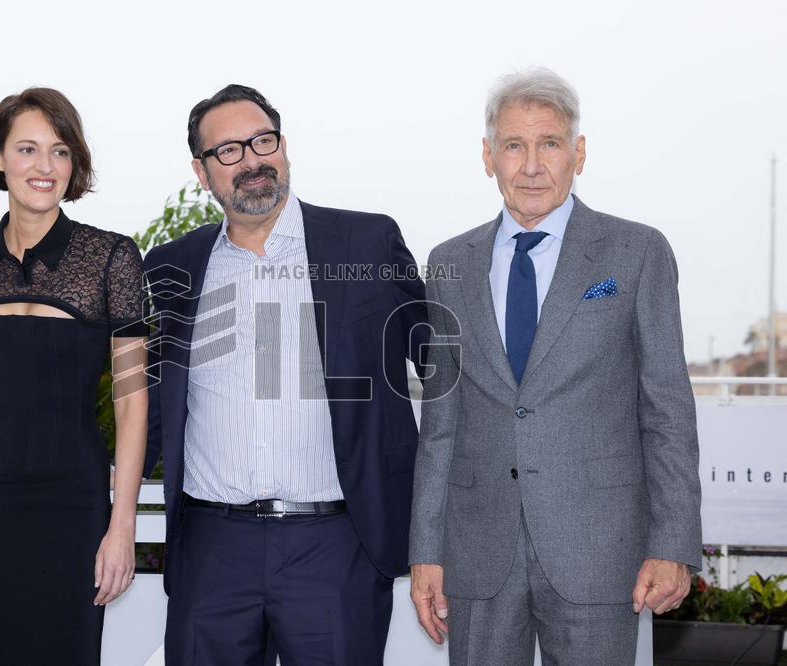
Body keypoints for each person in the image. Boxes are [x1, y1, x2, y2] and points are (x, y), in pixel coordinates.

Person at [409, 68, 702, 665]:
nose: (532, 166)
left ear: (579, 153)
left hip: (600, 550)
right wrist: (426, 551)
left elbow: (668, 410)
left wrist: (673, 542)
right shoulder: (448, 264)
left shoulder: (638, 253)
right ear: (488, 157)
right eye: (514, 146)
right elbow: (440, 426)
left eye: (549, 143)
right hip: (478, 552)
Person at [143, 84, 428, 666]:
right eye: (228, 150)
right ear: (201, 172)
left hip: (336, 547)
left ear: (284, 146)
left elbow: (441, 366)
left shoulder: (367, 244)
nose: (251, 160)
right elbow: (147, 404)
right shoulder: (171, 266)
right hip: (211, 553)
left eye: (262, 141)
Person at [0, 87, 149, 665]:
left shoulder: (111, 258)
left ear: (74, 164)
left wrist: (122, 524)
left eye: (60, 151)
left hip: (74, 507)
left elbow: (132, 398)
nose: (45, 166)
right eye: (28, 149)